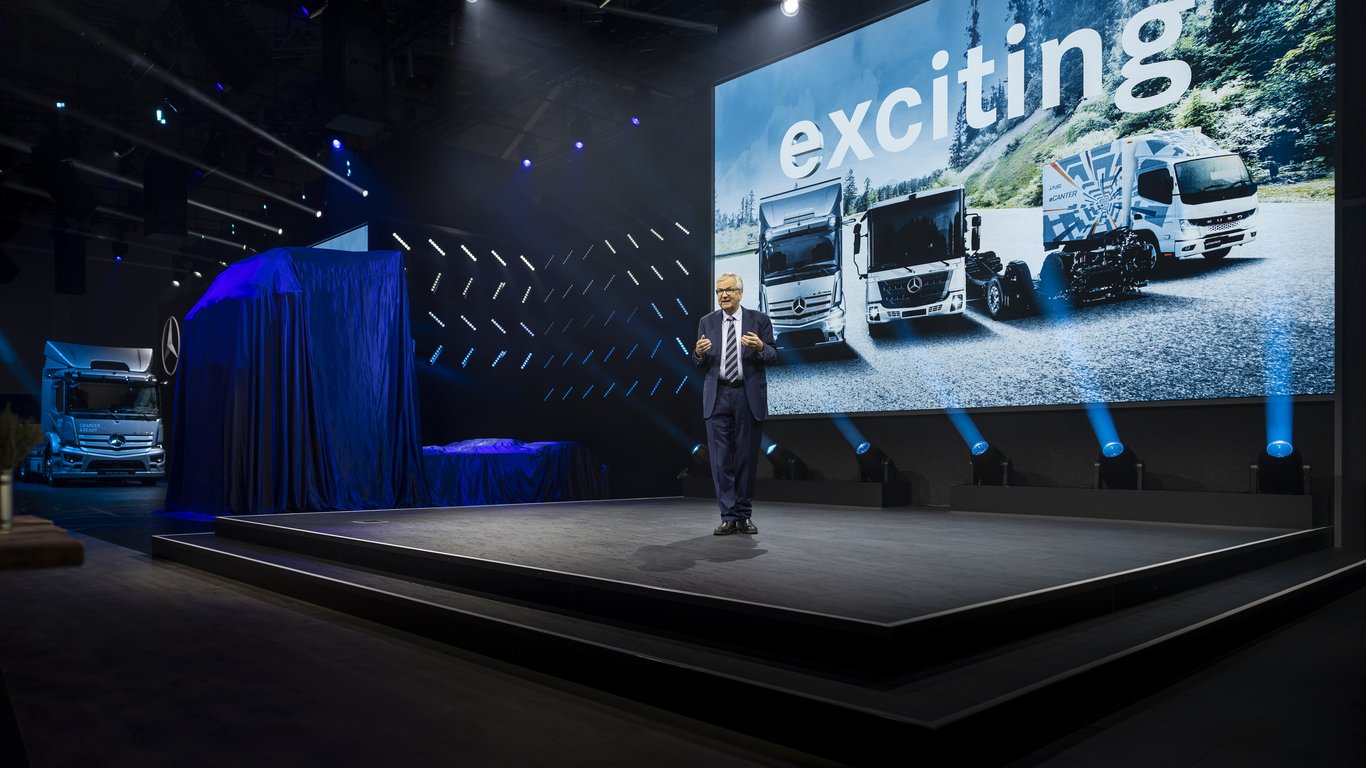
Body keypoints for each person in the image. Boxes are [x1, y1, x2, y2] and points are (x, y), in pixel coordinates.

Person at [693, 272, 777, 535]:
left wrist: (762, 346)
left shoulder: (759, 320)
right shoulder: (706, 322)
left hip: (746, 395)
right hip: (717, 396)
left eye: (728, 290)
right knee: (720, 461)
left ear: (740, 292)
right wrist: (697, 353)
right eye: (719, 291)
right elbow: (698, 360)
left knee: (746, 459)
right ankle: (728, 516)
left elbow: (773, 355)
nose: (723, 296)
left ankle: (744, 514)